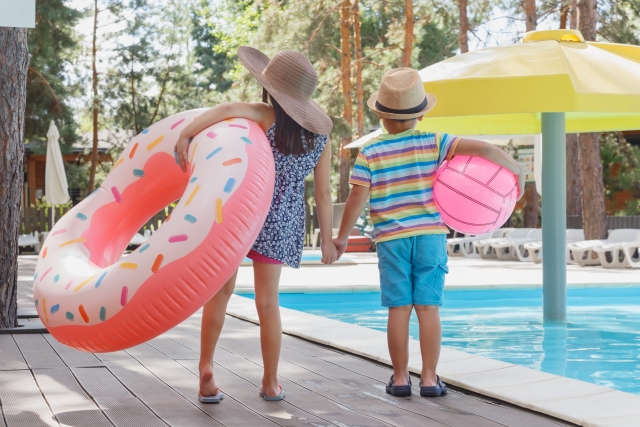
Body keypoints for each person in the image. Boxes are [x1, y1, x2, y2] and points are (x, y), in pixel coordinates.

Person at [333, 68, 525, 398]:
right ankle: (429, 378)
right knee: (428, 308)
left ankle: (398, 379)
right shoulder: (436, 142)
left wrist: (342, 236)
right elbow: (482, 149)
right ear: (420, 115)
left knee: (398, 309)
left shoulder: (370, 152)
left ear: (381, 115)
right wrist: (516, 170)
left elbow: (356, 198)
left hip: (391, 240)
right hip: (431, 237)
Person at [174, 47, 337, 403]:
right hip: (282, 220)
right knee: (267, 303)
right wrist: (327, 240)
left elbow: (227, 109)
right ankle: (270, 382)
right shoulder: (320, 136)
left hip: (241, 210)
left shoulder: (265, 116)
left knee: (220, 292)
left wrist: (187, 133)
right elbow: (323, 193)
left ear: (271, 88)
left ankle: (206, 369)